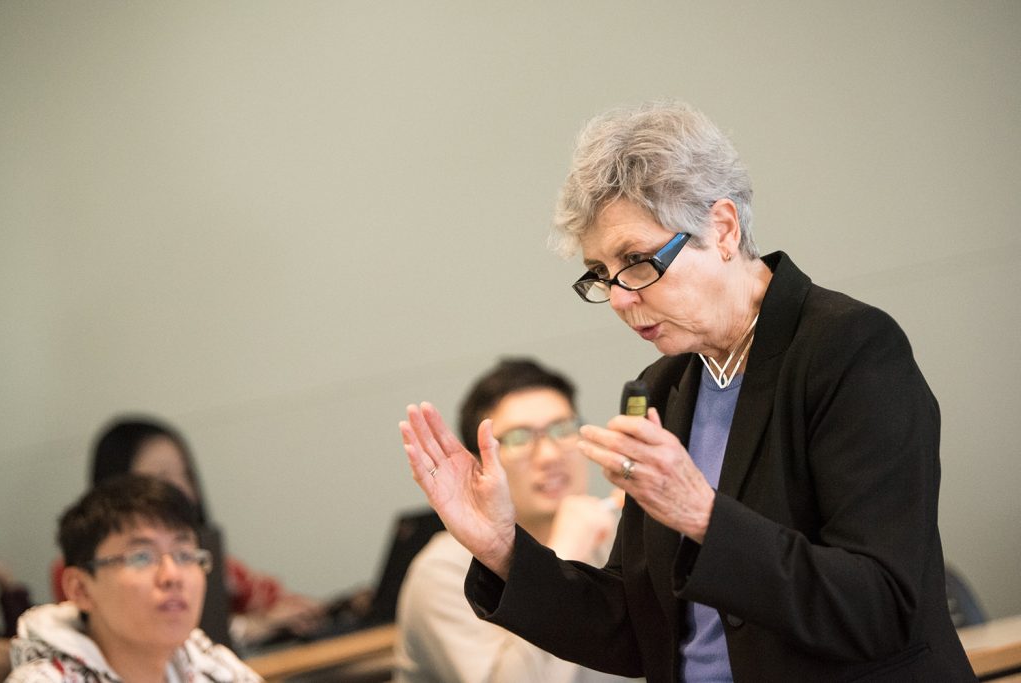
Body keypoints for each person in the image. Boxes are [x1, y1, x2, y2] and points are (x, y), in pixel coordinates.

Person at [400, 101, 975, 681]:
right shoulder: (663, 387)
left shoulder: (848, 349)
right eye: (601, 273)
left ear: (722, 229)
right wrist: (503, 550)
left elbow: (878, 606)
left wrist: (702, 515)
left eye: (638, 261)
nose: (621, 299)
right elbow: (641, 629)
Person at [394, 358, 639, 683]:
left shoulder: (613, 538)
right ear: (480, 465)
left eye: (562, 429)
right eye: (520, 438)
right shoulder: (444, 569)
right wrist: (566, 553)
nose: (550, 456)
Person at [51, 417, 323, 648]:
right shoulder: (79, 568)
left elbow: (271, 597)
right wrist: (246, 627)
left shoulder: (202, 559)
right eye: (142, 557)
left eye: (187, 475)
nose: (182, 490)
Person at [8, 475, 262, 683]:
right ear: (81, 589)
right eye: (141, 557)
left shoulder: (212, 664)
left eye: (184, 555)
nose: (172, 576)